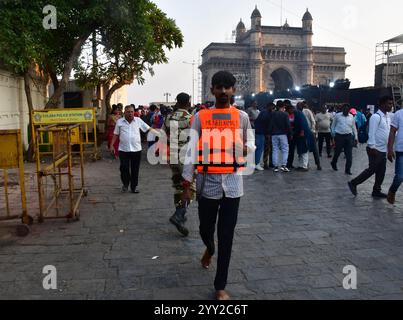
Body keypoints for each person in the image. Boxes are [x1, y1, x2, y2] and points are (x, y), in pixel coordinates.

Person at [182, 71, 254, 301]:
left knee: (227, 235)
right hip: (207, 183)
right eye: (219, 87)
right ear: (212, 90)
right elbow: (191, 151)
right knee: (205, 229)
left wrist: (245, 149)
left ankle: (220, 285)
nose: (223, 91)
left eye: (228, 87)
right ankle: (209, 248)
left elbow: (250, 143)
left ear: (233, 90)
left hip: (233, 185)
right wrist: (186, 183)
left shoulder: (242, 117)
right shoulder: (201, 117)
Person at [161, 92, 196, 236]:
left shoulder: (168, 117)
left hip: (173, 156)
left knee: (177, 185)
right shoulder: (190, 118)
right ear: (188, 103)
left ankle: (180, 214)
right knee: (190, 187)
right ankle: (179, 214)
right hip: (185, 157)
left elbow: (162, 135)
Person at [347, 96, 393, 198]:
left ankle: (376, 190)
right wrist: (372, 147)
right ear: (382, 104)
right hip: (375, 149)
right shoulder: (376, 117)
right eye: (389, 103)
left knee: (381, 171)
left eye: (391, 103)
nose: (391, 105)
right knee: (372, 170)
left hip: (382, 149)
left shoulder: (387, 116)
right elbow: (371, 133)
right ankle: (353, 183)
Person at [110, 105, 159, 193]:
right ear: (124, 113)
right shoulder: (120, 122)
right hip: (123, 150)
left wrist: (159, 133)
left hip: (136, 149)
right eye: (128, 112)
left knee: (135, 169)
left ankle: (134, 187)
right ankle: (125, 184)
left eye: (132, 112)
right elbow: (116, 134)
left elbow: (148, 128)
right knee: (124, 168)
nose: (130, 114)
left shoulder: (138, 120)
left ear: (134, 112)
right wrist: (112, 145)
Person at [330, 104, 358, 175]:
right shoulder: (337, 116)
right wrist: (333, 135)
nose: (346, 110)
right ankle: (333, 162)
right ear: (342, 109)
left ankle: (347, 170)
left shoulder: (351, 117)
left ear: (349, 110)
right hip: (339, 137)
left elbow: (354, 127)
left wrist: (356, 137)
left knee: (349, 155)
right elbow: (333, 125)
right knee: (337, 152)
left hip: (348, 137)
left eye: (347, 109)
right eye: (344, 109)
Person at [387, 102, 403, 204]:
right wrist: (390, 149)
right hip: (401, 150)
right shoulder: (399, 114)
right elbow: (392, 131)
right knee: (400, 176)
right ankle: (392, 191)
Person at [268, 101, 291, 172]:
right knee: (285, 150)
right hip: (283, 134)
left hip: (274, 134)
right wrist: (290, 133)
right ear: (283, 106)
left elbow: (270, 124)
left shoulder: (273, 114)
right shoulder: (285, 114)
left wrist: (269, 133)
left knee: (275, 149)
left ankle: (275, 166)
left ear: (276, 106)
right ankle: (284, 165)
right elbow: (288, 125)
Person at [254, 102, 274, 171]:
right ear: (269, 107)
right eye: (272, 108)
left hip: (258, 131)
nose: (273, 109)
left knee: (258, 148)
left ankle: (256, 163)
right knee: (260, 148)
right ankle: (256, 164)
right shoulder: (267, 114)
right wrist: (268, 133)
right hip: (261, 132)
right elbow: (266, 124)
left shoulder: (263, 112)